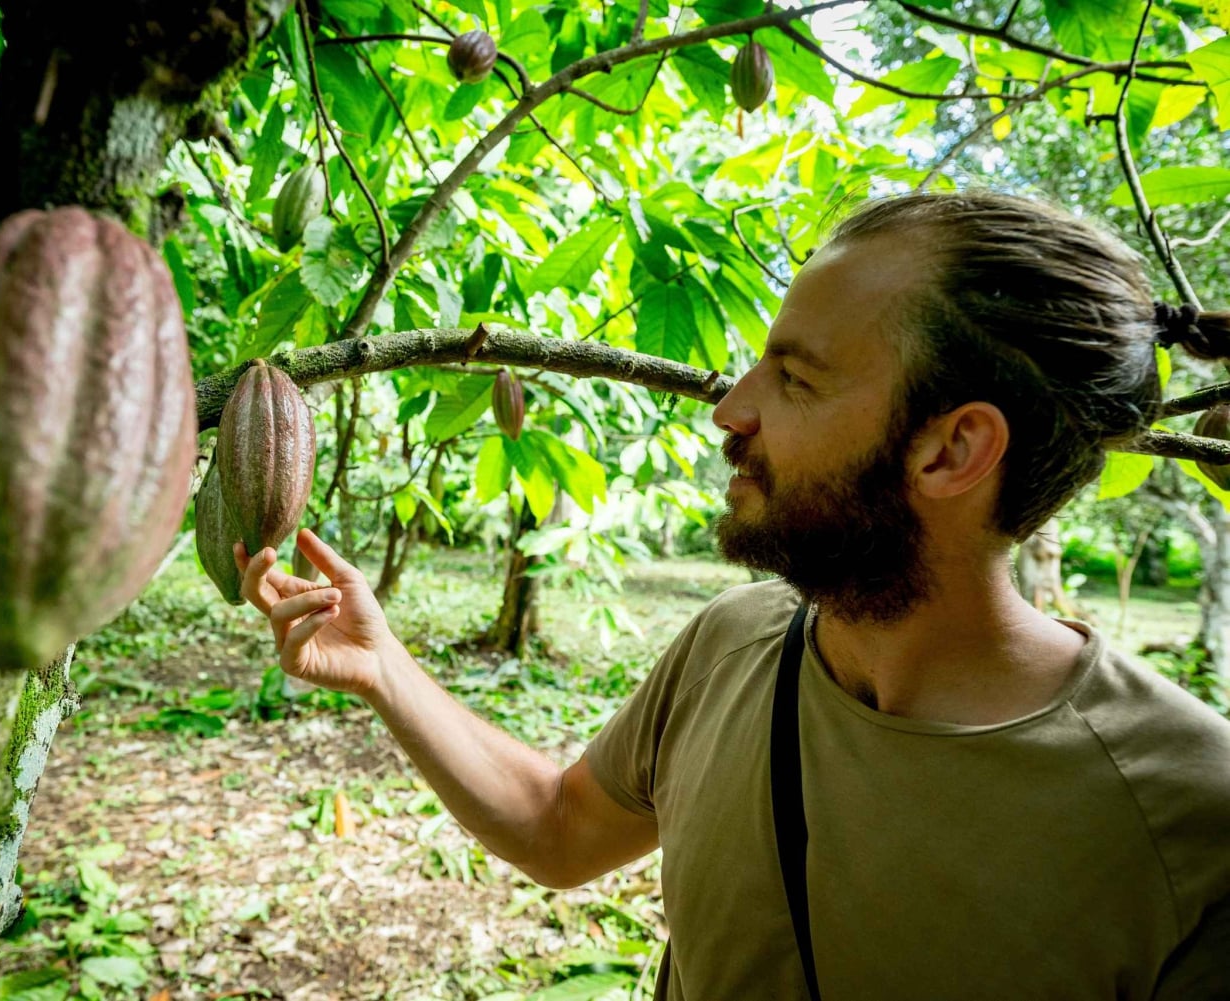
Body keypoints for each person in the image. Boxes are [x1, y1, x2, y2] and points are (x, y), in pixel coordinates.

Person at [233, 190, 1230, 999]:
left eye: (793, 379)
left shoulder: (1189, 818)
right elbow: (560, 824)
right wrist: (384, 667)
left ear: (950, 448)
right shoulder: (734, 644)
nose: (729, 409)